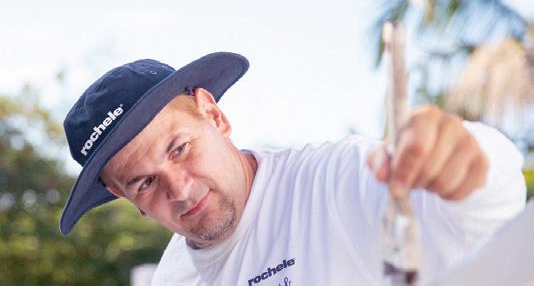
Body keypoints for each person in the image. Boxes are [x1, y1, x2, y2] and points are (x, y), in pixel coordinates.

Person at [60, 52, 526, 285]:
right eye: (144, 183)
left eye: (179, 148)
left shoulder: (336, 180)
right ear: (127, 199)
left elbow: (488, 214)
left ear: (214, 115)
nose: (178, 189)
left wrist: (468, 161)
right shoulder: (173, 280)